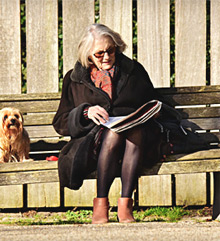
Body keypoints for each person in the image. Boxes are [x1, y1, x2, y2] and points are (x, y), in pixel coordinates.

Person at [52, 23, 205, 224]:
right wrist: (86, 112)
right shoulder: (75, 79)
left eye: (111, 51)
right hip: (94, 144)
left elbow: (156, 101)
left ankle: (125, 204)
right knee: (114, 133)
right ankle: (102, 203)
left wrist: (152, 111)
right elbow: (60, 122)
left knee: (134, 130)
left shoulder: (133, 71)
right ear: (88, 55)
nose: (106, 57)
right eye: (99, 54)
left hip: (140, 139)